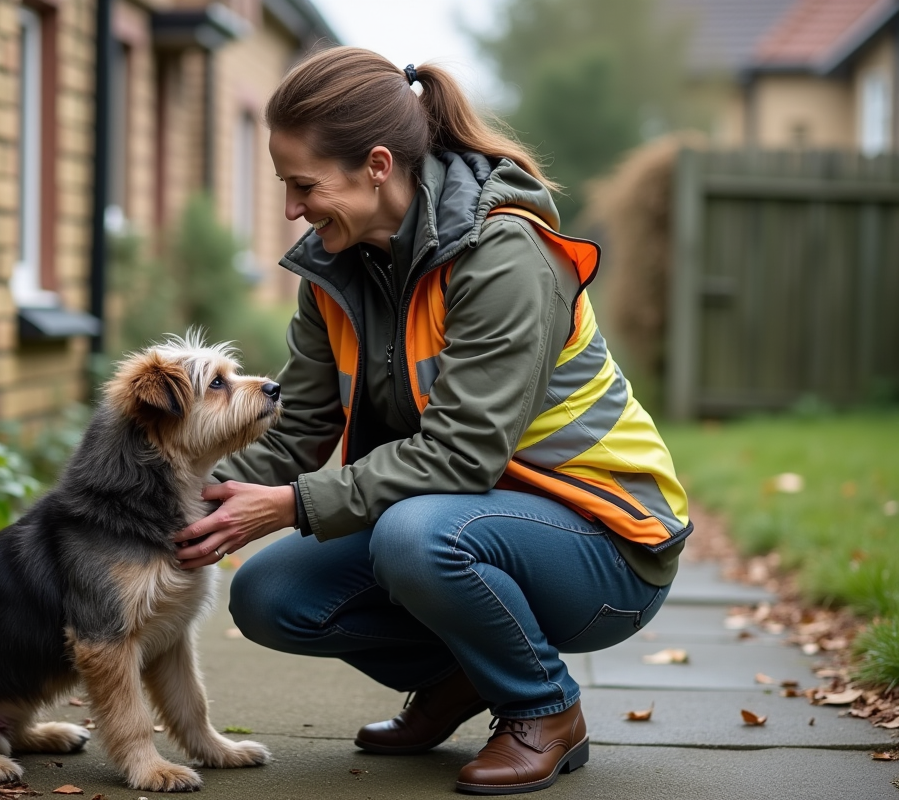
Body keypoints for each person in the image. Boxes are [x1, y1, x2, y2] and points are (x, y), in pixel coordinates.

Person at [172, 46, 691, 795]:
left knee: (416, 536)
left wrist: (291, 506)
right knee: (270, 596)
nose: (292, 209)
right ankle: (468, 674)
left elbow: (461, 455)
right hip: (473, 523)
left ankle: (544, 707)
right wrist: (168, 500)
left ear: (377, 165)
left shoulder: (502, 254)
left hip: (606, 542)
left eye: (303, 185)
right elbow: (296, 430)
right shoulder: (333, 269)